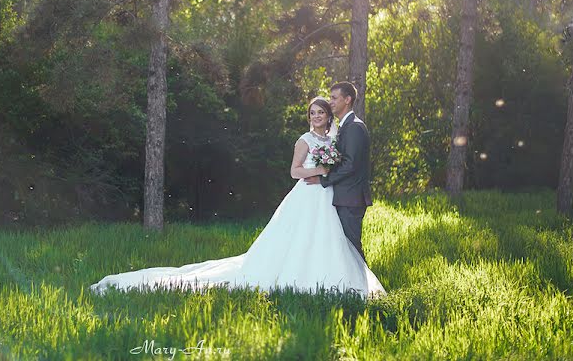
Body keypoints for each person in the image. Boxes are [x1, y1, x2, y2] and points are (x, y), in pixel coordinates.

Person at [89, 93, 385, 297]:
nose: (317, 116)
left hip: (325, 195)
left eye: (321, 112)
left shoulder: (332, 139)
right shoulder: (304, 140)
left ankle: (333, 280)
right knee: (298, 238)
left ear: (328, 115)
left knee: (328, 238)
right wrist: (318, 171)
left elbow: (337, 163)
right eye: (313, 113)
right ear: (309, 117)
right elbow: (295, 171)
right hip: (307, 194)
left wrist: (325, 171)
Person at [305, 82, 372, 261]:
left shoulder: (355, 127)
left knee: (352, 246)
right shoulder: (345, 126)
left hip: (351, 197)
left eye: (334, 98)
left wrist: (323, 180)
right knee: (345, 246)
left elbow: (350, 165)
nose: (330, 102)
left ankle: (364, 287)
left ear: (347, 100)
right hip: (345, 196)